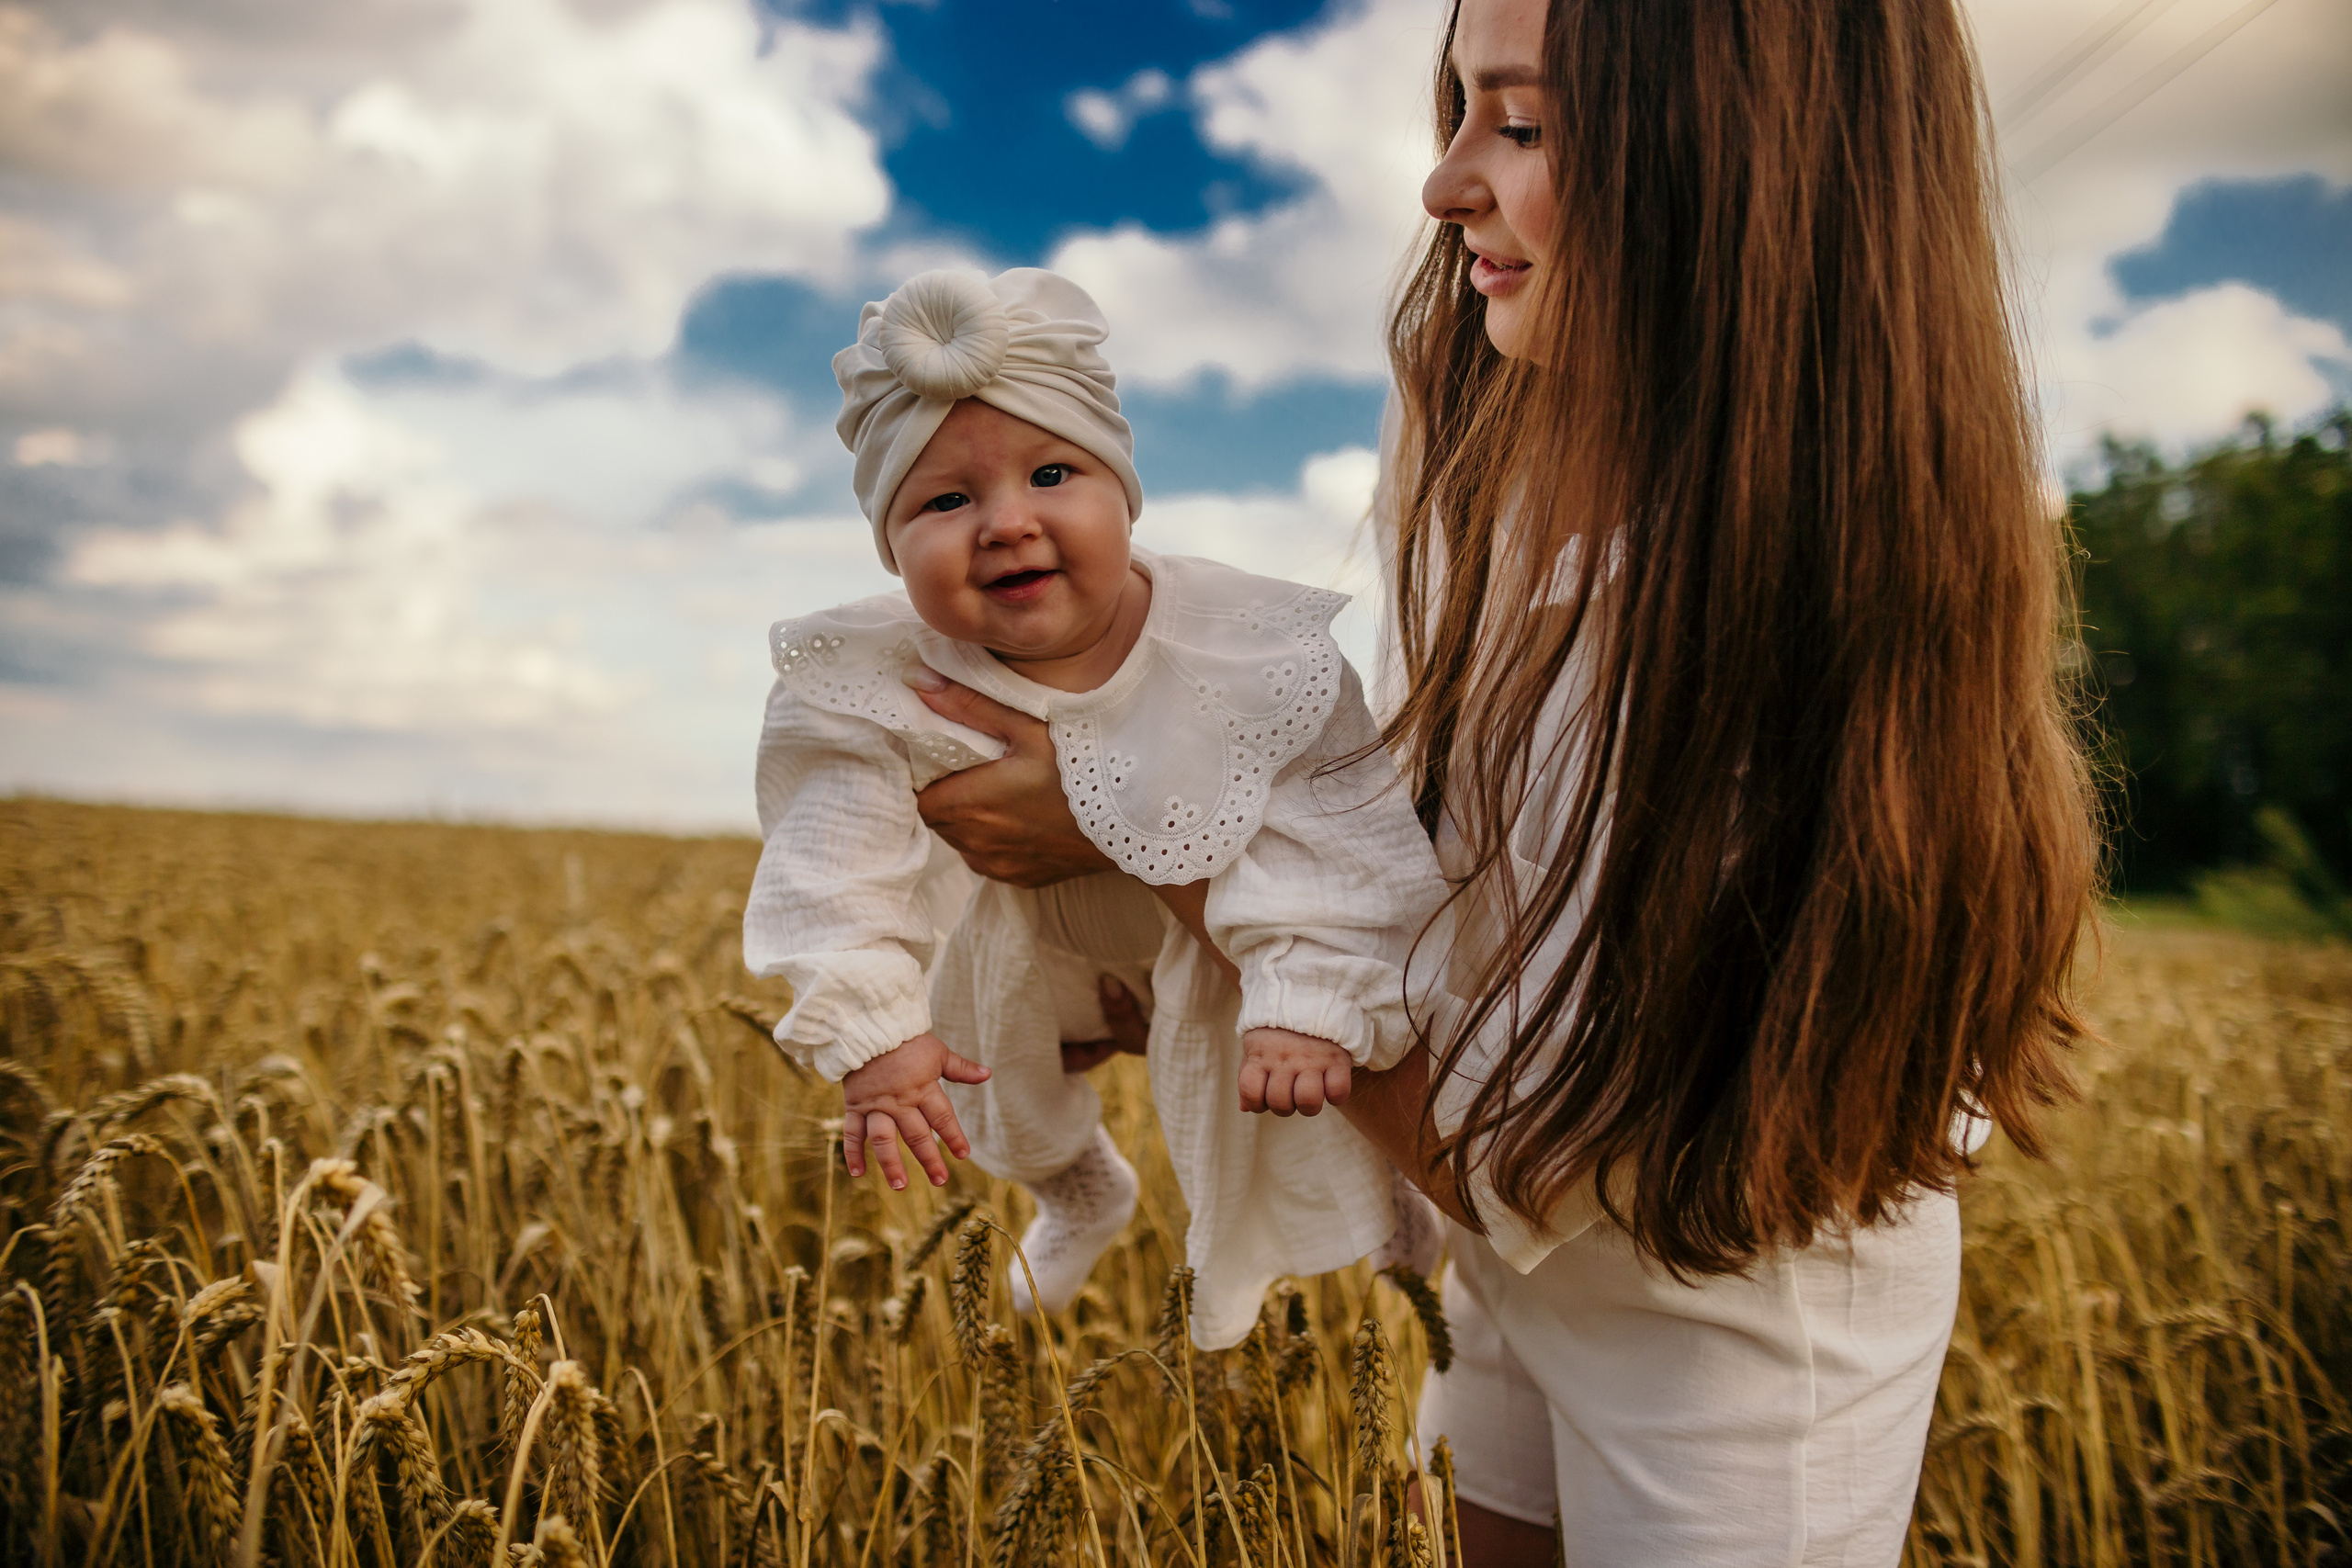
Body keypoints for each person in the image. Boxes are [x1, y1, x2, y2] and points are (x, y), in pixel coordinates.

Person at [897, 0, 2101, 1558]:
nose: (1443, 182)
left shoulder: (1791, 612)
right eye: (1456, 107)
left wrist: (1148, 842)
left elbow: (1538, 1137)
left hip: (1723, 1323)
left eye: (1520, 125)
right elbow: (1459, 908)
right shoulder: (1502, 469)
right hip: (1505, 1259)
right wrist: (1196, 974)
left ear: (1738, 168)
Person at [742, 266, 1447, 1348]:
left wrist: (1311, 988)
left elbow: (1334, 830)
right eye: (944, 501)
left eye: (1052, 472)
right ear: (890, 547)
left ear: (1125, 491)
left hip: (1227, 935)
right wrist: (876, 1038)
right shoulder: (878, 676)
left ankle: (1399, 1207)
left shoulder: (1239, 648)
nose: (1004, 522)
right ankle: (1075, 1184)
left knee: (1294, 1069)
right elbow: (827, 867)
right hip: (1028, 943)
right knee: (982, 1061)